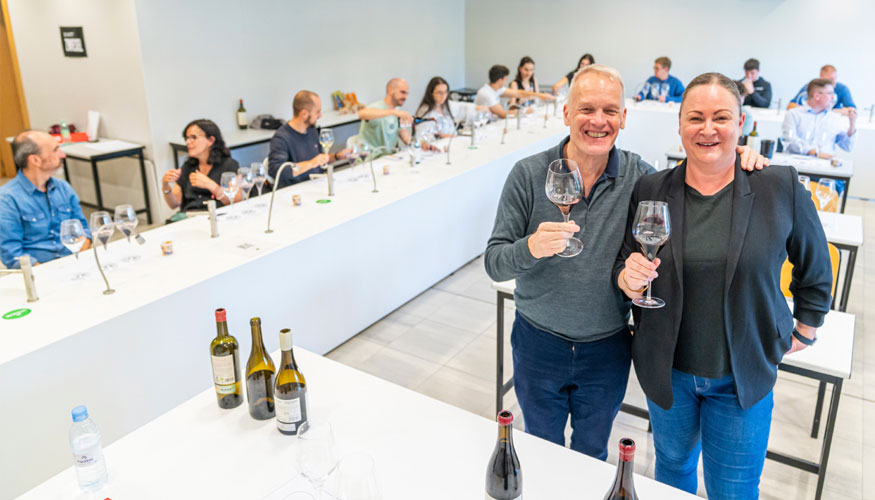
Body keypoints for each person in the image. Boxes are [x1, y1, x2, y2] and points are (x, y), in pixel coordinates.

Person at [484, 65, 766, 461]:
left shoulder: (642, 179)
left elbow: (700, 180)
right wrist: (531, 247)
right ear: (566, 114)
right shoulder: (529, 175)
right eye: (586, 109)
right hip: (537, 344)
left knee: (591, 454)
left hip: (608, 348)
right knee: (540, 452)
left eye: (609, 110)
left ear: (623, 118)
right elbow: (495, 264)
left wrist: (735, 157)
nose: (598, 121)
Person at [615, 72, 832, 499]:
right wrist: (627, 278)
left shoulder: (776, 184)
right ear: (679, 125)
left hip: (741, 375)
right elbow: (627, 260)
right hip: (669, 372)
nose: (708, 129)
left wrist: (807, 325)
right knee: (672, 472)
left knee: (732, 489)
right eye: (695, 117)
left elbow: (815, 262)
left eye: (721, 117)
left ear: (740, 123)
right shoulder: (652, 188)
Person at [0, 130, 91, 268]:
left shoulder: (63, 188)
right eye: (55, 150)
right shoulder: (7, 199)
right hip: (39, 272)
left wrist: (79, 263)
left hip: (75, 264)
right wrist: (48, 275)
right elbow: (12, 254)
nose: (63, 154)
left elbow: (83, 230)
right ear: (35, 160)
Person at [268, 91, 351, 189]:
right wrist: (311, 163)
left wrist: (337, 156)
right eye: (317, 112)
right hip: (296, 192)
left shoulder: (311, 131)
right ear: (304, 114)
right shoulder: (281, 138)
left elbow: (319, 159)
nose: (320, 116)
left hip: (318, 186)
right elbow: (277, 171)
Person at [161, 119, 240, 212]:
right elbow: (174, 204)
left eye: (193, 137)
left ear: (210, 140)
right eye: (186, 138)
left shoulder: (229, 165)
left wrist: (211, 185)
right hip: (189, 217)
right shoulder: (188, 166)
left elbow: (236, 201)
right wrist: (165, 185)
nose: (188, 142)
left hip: (216, 216)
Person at [782, 78, 857, 158]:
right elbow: (790, 141)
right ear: (817, 96)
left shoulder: (835, 117)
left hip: (825, 166)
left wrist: (852, 123)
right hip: (796, 165)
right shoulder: (794, 114)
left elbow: (847, 147)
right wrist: (816, 153)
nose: (833, 97)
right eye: (829, 93)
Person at [357, 78, 417, 156]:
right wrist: (393, 112)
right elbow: (362, 114)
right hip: (370, 159)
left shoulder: (397, 110)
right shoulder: (375, 107)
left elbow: (403, 133)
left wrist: (418, 144)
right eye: (402, 92)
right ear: (391, 90)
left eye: (407, 94)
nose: (405, 97)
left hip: (389, 158)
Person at [414, 76, 487, 138]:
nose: (443, 96)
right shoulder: (424, 111)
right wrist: (446, 136)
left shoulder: (446, 106)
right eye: (439, 92)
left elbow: (463, 107)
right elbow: (425, 136)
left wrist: (479, 108)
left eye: (445, 92)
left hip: (452, 143)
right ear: (431, 93)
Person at [474, 65, 554, 119]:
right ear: (500, 80)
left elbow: (518, 93)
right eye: (506, 79)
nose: (507, 81)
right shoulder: (486, 93)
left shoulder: (497, 88)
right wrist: (523, 110)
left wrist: (540, 95)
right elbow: (503, 114)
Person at [789, 64, 856, 115]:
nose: (834, 83)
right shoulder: (810, 87)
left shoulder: (842, 88)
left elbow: (852, 110)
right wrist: (811, 110)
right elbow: (791, 106)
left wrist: (828, 111)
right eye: (830, 80)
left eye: (835, 78)